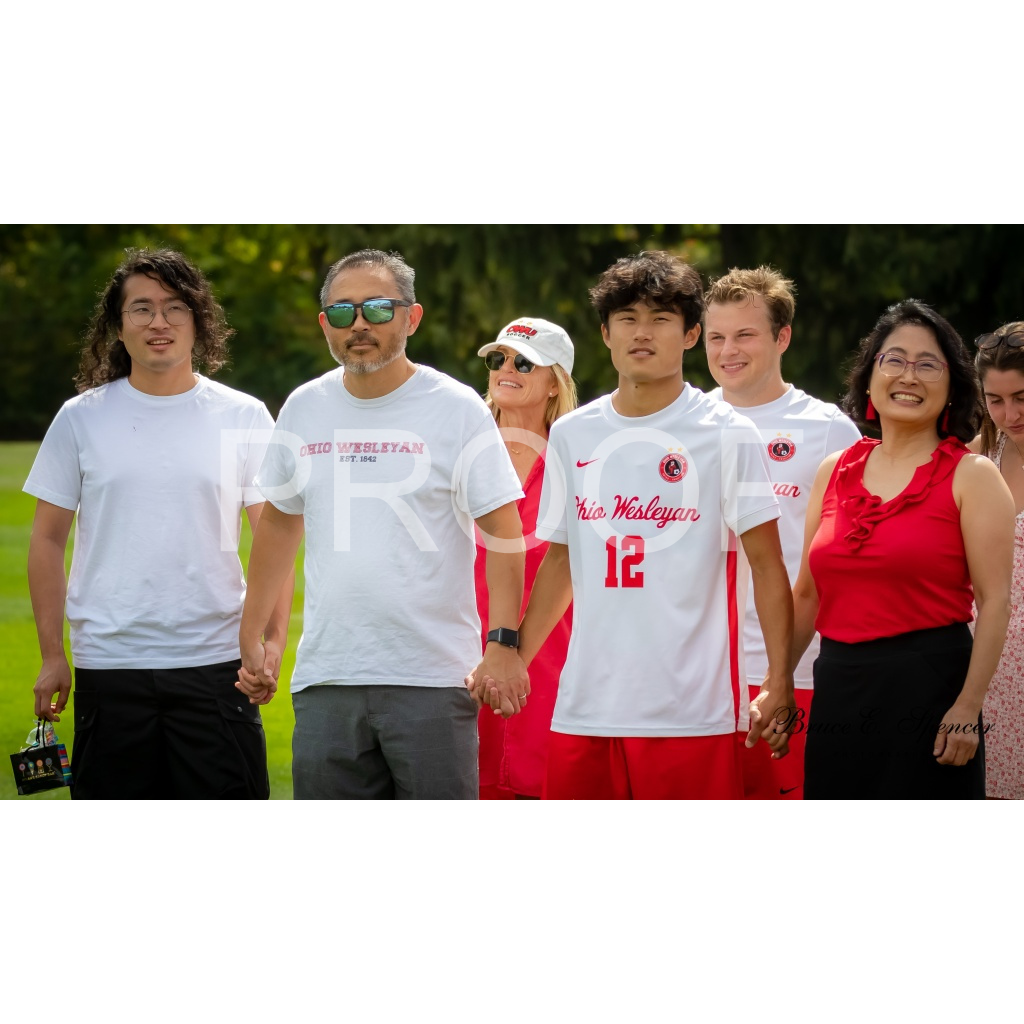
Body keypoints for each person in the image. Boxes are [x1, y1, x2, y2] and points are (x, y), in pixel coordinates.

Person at [470, 250, 795, 800]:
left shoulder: (728, 432)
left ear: (690, 334)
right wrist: (513, 658)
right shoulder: (573, 434)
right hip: (583, 707)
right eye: (627, 318)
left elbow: (767, 565)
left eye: (661, 319)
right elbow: (562, 560)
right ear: (606, 333)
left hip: (690, 712)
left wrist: (779, 678)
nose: (642, 332)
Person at [235, 248, 529, 800]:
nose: (359, 324)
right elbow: (277, 526)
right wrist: (250, 634)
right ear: (325, 324)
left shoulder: (456, 407)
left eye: (376, 308)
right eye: (342, 312)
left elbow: (504, 532)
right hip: (327, 678)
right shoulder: (304, 407)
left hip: (432, 678)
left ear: (411, 317)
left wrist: (503, 643)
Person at [23, 246, 294, 799]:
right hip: (109, 665)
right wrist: (53, 655)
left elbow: (274, 537)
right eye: (141, 309)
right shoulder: (80, 418)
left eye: (175, 307)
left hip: (217, 664)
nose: (159, 322)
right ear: (118, 326)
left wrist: (272, 639)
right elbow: (47, 539)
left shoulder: (243, 415)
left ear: (198, 321)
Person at [788, 298, 1014, 800]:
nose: (909, 375)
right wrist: (778, 679)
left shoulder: (973, 476)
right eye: (894, 360)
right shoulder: (833, 470)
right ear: (869, 378)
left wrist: (967, 708)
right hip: (839, 688)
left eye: (928, 365)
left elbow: (995, 601)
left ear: (953, 388)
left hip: (931, 693)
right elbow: (806, 594)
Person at [703, 265, 862, 800]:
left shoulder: (829, 430)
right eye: (717, 337)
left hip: (794, 671)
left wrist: (783, 672)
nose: (728, 351)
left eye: (745, 334)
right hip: (695, 673)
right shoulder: (684, 424)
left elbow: (847, 562)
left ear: (783, 337)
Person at [474, 317, 579, 799]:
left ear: (555, 384)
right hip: (460, 662)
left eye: (524, 363)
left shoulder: (576, 461)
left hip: (549, 667)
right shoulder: (461, 450)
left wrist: (515, 656)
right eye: (499, 359)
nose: (506, 369)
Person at [967, 322, 1024, 800]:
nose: (1011, 414)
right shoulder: (981, 456)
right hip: (986, 662)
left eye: (1022, 397)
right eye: (997, 400)